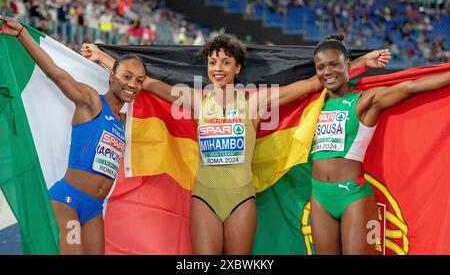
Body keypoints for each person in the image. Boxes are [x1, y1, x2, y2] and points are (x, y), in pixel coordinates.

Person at [80, 35, 389, 254]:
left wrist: (360, 62)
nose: (218, 68)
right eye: (213, 62)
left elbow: (313, 83)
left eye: (226, 62)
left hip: (242, 201)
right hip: (205, 199)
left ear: (237, 68)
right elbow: (140, 81)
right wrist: (102, 57)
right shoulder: (196, 101)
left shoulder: (255, 103)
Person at [0, 15, 147, 254]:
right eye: (126, 77)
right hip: (68, 201)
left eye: (138, 81)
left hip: (94, 210)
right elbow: (58, 75)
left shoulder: (125, 122)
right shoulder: (91, 102)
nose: (132, 84)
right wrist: (21, 35)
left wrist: (103, 57)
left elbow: (153, 87)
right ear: (112, 77)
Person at [310, 34, 450, 255]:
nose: (327, 72)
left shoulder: (366, 100)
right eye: (320, 67)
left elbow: (411, 87)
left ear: (347, 65)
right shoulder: (313, 104)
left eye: (334, 64)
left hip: (352, 196)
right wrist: (362, 62)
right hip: (318, 196)